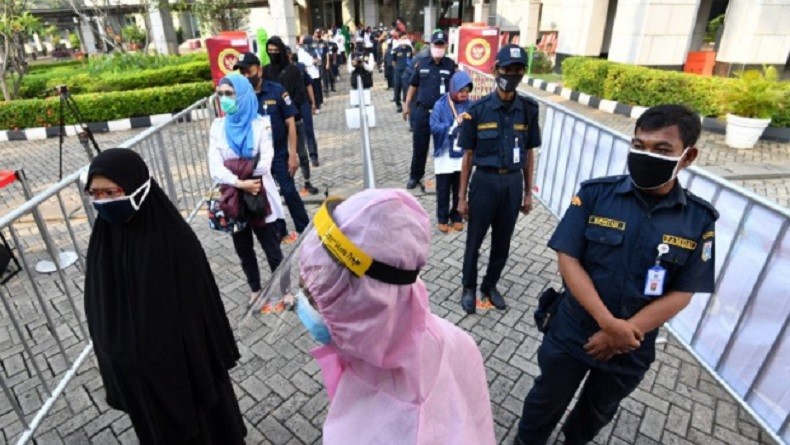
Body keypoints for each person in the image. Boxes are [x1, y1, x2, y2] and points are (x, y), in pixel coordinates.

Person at [512, 104, 718, 445]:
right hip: (573, 330)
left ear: (688, 156)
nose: (646, 155)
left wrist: (625, 333)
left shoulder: (698, 220)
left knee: (596, 412)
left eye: (662, 149)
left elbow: (683, 292)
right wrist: (609, 324)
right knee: (546, 401)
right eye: (639, 145)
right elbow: (568, 259)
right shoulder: (596, 195)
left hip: (631, 347)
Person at [261, 189, 496, 444]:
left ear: (364, 304)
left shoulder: (405, 424)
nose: (304, 302)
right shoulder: (455, 339)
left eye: (315, 295)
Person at [84, 148, 246, 444]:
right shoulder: (102, 243)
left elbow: (199, 315)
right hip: (141, 383)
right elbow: (99, 312)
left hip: (186, 373)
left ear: (138, 187)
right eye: (95, 194)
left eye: (112, 192)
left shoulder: (175, 240)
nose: (103, 201)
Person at [457, 44, 541, 313]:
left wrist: (528, 193)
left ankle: (490, 285)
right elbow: (467, 156)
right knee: (475, 240)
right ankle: (469, 286)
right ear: (495, 70)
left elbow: (529, 153)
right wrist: (461, 198)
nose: (513, 75)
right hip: (484, 183)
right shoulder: (477, 110)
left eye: (519, 70)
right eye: (508, 69)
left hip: (512, 184)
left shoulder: (529, 109)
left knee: (502, 242)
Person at [208, 74, 285, 301]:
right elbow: (215, 167)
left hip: (260, 194)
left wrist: (232, 168)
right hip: (235, 196)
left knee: (271, 246)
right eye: (220, 94)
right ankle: (255, 289)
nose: (224, 99)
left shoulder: (261, 125)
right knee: (243, 248)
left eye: (229, 94)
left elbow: (265, 163)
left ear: (242, 95)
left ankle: (285, 289)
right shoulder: (218, 126)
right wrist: (241, 183)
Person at [263, 37, 313, 239]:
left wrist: (290, 111)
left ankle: (304, 224)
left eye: (276, 49)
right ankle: (278, 227)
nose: (273, 53)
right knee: (271, 189)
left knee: (294, 171)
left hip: (292, 122)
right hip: (269, 138)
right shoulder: (265, 72)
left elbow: (299, 96)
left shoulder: (293, 70)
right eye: (270, 50)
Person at [403, 29, 455, 189]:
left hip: (442, 114)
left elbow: (455, 89)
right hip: (422, 112)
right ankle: (415, 176)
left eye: (441, 44)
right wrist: (406, 104)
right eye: (436, 44)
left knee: (444, 147)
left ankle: (445, 178)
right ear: (431, 45)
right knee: (419, 146)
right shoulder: (421, 63)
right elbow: (413, 85)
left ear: (445, 46)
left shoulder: (451, 65)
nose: (438, 47)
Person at [430, 71, 474, 234]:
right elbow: (434, 127)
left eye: (467, 91)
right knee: (443, 189)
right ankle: (442, 218)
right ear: (453, 88)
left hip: (463, 155)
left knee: (460, 187)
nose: (464, 94)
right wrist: (455, 122)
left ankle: (457, 217)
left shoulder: (471, 105)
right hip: (445, 156)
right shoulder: (440, 105)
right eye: (461, 90)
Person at [285, 45, 321, 169]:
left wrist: (313, 102)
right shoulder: (280, 71)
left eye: (287, 53)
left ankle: (313, 156)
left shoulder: (300, 67)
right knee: (293, 132)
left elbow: (309, 85)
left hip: (303, 103)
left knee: (308, 130)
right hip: (290, 106)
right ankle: (299, 158)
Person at [298, 35, 323, 112]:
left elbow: (319, 60)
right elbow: (304, 63)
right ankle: (313, 107)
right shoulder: (301, 52)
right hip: (309, 74)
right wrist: (313, 61)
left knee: (318, 91)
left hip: (316, 73)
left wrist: (315, 61)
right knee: (312, 92)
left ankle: (318, 106)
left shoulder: (314, 50)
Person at [392, 33, 413, 113]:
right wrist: (397, 68)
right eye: (403, 39)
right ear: (400, 39)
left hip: (407, 71)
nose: (405, 40)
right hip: (398, 71)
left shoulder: (409, 49)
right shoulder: (395, 50)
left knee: (406, 88)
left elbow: (410, 59)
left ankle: (405, 105)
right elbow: (394, 62)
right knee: (397, 87)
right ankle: (398, 104)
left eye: (406, 38)